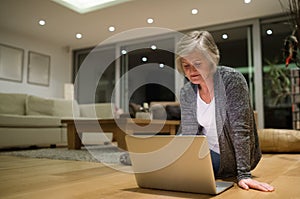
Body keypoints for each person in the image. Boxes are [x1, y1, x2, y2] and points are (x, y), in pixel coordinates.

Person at [176, 30, 274, 192]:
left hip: (230, 156)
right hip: (204, 152)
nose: (191, 71)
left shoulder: (231, 80)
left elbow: (240, 130)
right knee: (162, 157)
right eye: (186, 66)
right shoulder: (187, 91)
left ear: (212, 59)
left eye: (198, 64)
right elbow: (189, 133)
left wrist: (244, 174)